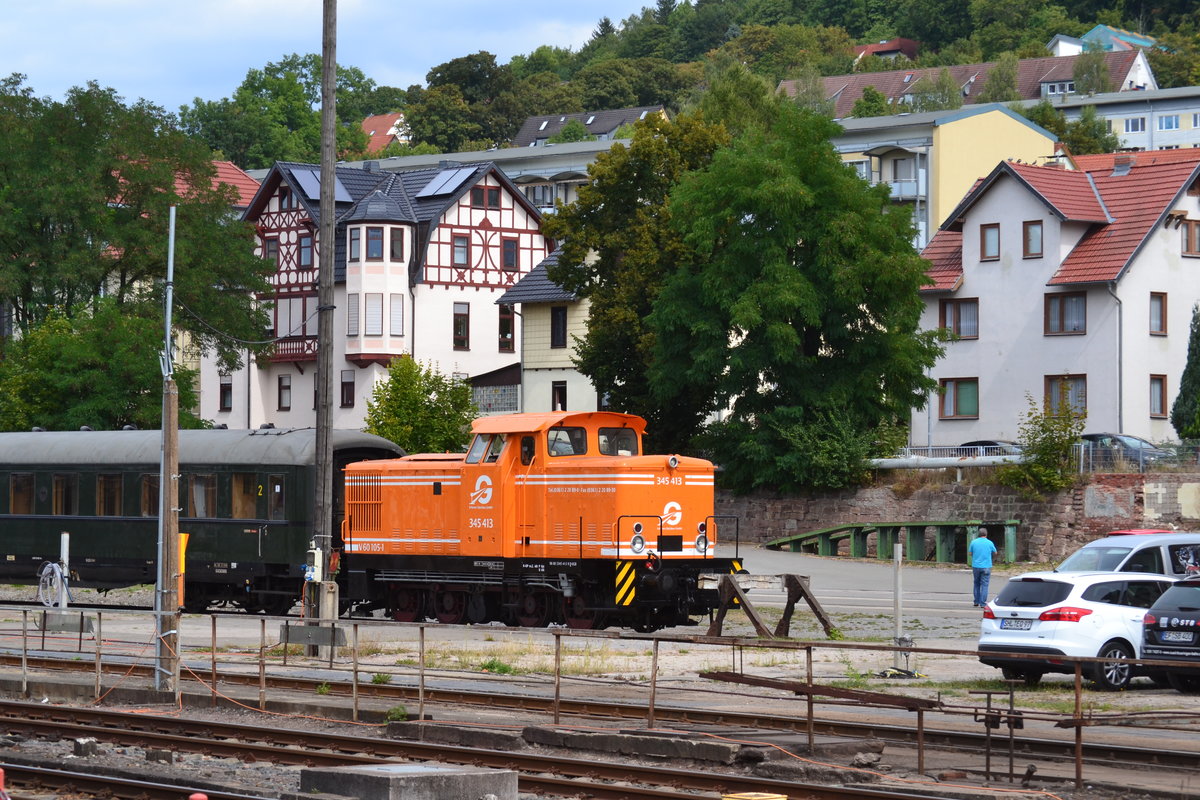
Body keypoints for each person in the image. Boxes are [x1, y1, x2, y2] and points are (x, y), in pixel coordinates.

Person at [968, 530, 998, 607]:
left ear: (979, 534)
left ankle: (976, 601)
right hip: (986, 566)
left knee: (976, 584)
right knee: (985, 585)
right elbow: (995, 552)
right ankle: (983, 603)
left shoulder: (973, 542)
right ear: (986, 534)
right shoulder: (990, 542)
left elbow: (970, 553)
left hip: (976, 566)